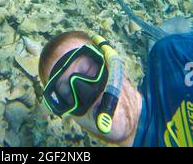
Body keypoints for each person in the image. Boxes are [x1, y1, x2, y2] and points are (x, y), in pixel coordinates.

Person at [39, 31, 193, 147]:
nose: (86, 92)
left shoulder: (174, 57)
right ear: (74, 118)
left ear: (113, 61)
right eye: (66, 94)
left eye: (88, 69)